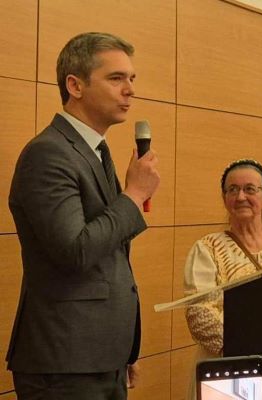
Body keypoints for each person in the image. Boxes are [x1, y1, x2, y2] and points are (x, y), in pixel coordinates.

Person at [5, 32, 160, 399]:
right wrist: (134, 195)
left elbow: (108, 256)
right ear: (75, 85)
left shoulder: (94, 151)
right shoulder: (48, 153)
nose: (130, 90)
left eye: (131, 78)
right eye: (116, 78)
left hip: (99, 357)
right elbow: (75, 250)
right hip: (63, 364)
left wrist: (121, 349)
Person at [183, 159, 262, 400]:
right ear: (224, 198)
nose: (241, 197)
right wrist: (253, 347)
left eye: (250, 189)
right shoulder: (206, 248)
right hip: (226, 370)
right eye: (233, 189)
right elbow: (199, 314)